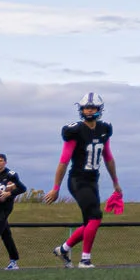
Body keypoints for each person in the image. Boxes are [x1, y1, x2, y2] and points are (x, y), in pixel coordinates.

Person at [47, 92, 121, 268]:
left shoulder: (104, 129)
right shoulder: (75, 131)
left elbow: (108, 157)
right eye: (86, 107)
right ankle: (85, 259)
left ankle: (63, 249)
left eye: (92, 107)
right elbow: (64, 161)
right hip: (78, 179)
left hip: (93, 180)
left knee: (90, 222)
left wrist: (115, 182)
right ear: (81, 109)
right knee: (95, 217)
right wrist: (56, 188)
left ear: (99, 109)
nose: (89, 110)